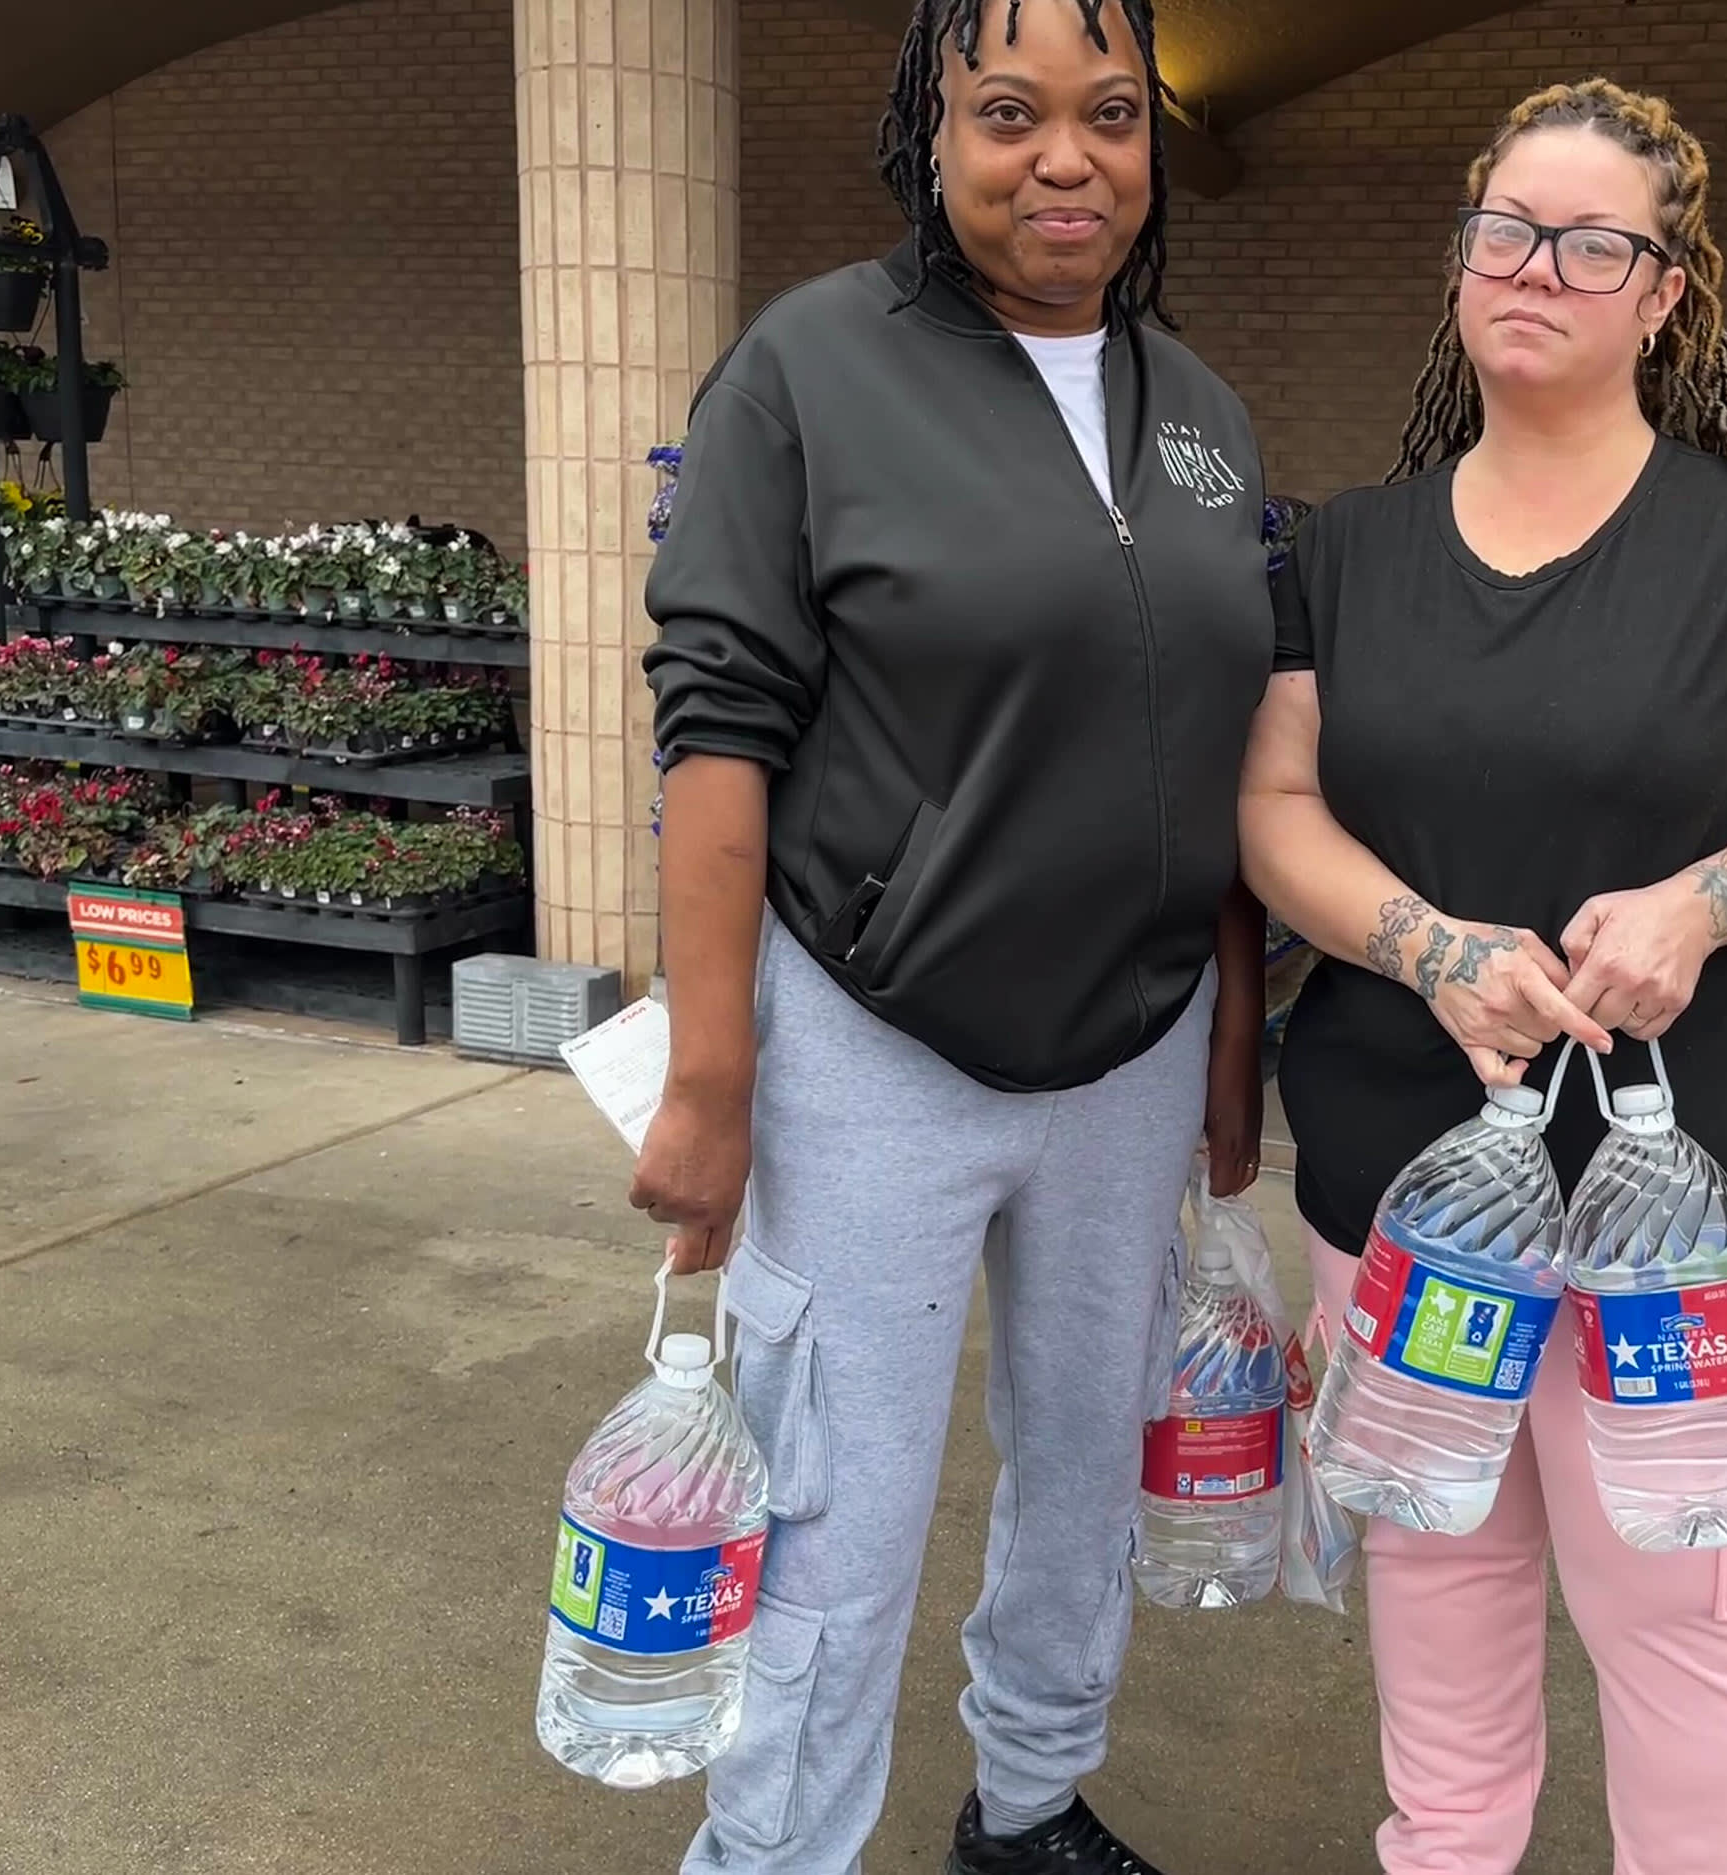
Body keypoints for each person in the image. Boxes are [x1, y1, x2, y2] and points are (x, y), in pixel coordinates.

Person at [1238, 79, 1727, 1875]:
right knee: (1440, 1593)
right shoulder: (1350, 550)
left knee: (1701, 1629)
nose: (1535, 267)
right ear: (1461, 260)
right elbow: (1277, 804)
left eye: (1593, 242)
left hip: (1685, 1210)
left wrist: (1708, 899)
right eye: (1503, 229)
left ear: (1666, 295)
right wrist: (1424, 945)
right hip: (1404, 1190)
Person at [630, 2, 1275, 1871]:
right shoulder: (809, 371)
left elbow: (1227, 746)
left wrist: (1232, 1042)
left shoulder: (1203, 416)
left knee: (1085, 1476)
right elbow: (719, 729)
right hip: (874, 1044)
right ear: (932, 131)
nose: (1065, 157)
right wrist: (711, 1077)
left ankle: (1030, 1806)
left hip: (1133, 1055)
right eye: (1009, 114)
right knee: (838, 1509)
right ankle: (776, 1857)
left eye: (1109, 115)